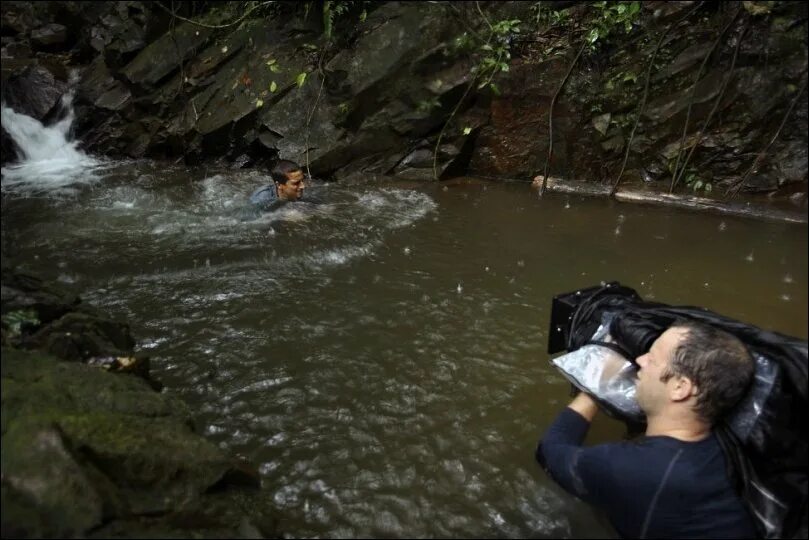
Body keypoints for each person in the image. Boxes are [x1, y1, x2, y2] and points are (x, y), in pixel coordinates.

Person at [536, 321, 758, 539]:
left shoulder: (631, 470)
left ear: (680, 388)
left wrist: (597, 383)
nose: (640, 361)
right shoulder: (735, 447)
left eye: (652, 358)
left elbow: (549, 451)